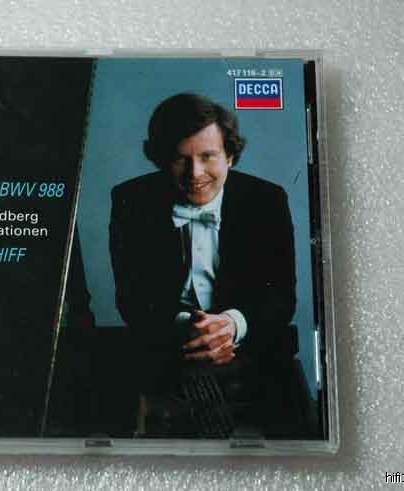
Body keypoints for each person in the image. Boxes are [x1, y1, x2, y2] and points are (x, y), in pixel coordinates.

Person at [109, 93, 299, 438]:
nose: (195, 173)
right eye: (180, 159)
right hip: (167, 349)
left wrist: (231, 325)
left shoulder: (267, 200)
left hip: (251, 351)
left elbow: (281, 298)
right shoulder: (130, 200)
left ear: (230, 156)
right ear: (160, 159)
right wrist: (190, 327)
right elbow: (132, 298)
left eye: (208, 156)